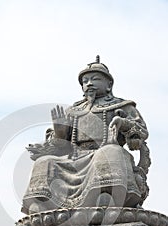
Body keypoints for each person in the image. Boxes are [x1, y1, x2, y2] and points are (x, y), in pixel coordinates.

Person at [22, 56, 150, 214]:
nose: (89, 83)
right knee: (45, 161)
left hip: (105, 152)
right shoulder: (73, 111)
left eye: (95, 79)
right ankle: (45, 203)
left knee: (109, 153)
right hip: (75, 158)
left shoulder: (122, 106)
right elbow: (61, 147)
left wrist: (122, 123)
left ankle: (106, 194)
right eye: (85, 81)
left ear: (109, 85)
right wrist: (60, 131)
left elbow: (141, 131)